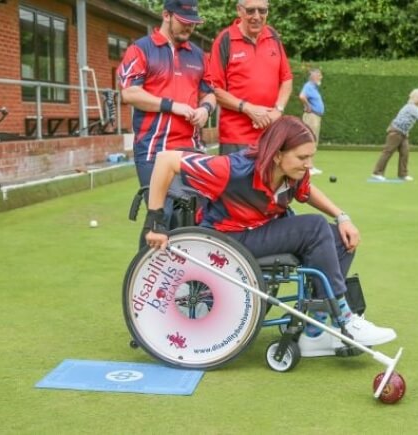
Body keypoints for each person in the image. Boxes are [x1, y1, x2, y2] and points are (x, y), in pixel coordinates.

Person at [143, 116, 397, 356]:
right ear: (277, 155)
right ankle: (345, 317)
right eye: (302, 157)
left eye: (311, 157)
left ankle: (314, 332)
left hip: (259, 231)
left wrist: (342, 217)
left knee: (341, 239)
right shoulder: (233, 169)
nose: (309, 164)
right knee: (315, 227)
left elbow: (307, 193)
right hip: (228, 242)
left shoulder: (293, 174)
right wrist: (155, 222)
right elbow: (165, 160)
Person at [117, 0, 216, 249]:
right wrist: (172, 105)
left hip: (190, 148)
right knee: (162, 213)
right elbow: (129, 93)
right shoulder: (141, 49)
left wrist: (206, 109)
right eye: (184, 22)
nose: (189, 28)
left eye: (193, 23)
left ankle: (186, 282)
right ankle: (145, 279)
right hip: (153, 149)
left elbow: (210, 93)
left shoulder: (197, 55)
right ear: (166, 15)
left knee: (198, 214)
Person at [207, 0, 293, 155]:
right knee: (239, 180)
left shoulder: (272, 36)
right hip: (236, 137)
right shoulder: (225, 39)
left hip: (271, 134)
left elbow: (286, 78)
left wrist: (278, 111)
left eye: (262, 11)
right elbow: (213, 89)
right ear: (239, 11)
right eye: (251, 10)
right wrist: (247, 108)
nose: (257, 16)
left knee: (268, 180)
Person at [372, 88, 418, 181]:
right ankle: (377, 173)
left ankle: (403, 174)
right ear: (416, 98)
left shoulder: (415, 107)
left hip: (403, 134)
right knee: (387, 152)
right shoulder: (411, 107)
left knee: (405, 153)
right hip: (395, 133)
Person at [299, 67, 325, 175]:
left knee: (313, 141)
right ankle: (307, 167)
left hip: (316, 117)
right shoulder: (308, 86)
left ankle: (310, 166)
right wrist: (308, 106)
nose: (321, 77)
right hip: (311, 117)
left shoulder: (313, 88)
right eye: (319, 75)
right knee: (309, 141)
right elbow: (301, 96)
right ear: (313, 76)